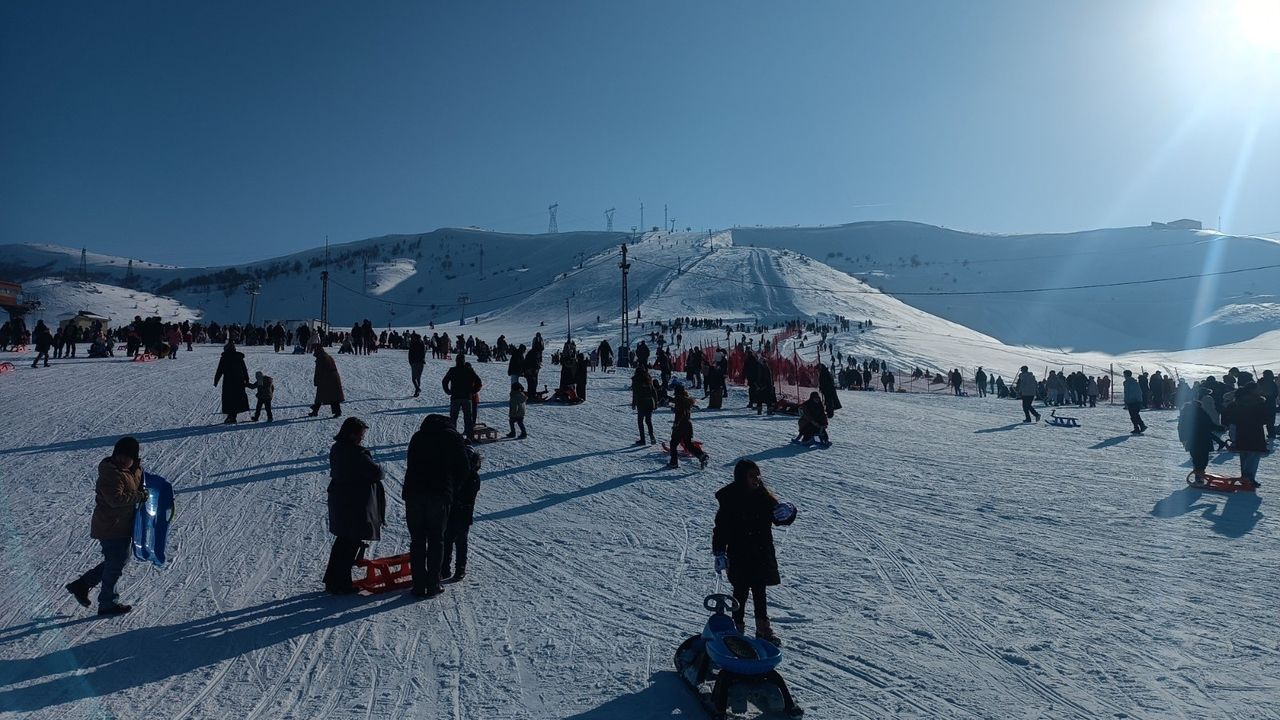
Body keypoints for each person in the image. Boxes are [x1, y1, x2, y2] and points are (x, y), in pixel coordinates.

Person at [712, 460, 798, 645]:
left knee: (760, 592)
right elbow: (721, 529)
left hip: (760, 554)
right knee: (740, 593)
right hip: (739, 555)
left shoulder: (763, 498)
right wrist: (719, 552)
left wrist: (789, 511)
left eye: (757, 474)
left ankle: (763, 629)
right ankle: (736, 629)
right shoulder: (730, 500)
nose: (756, 479)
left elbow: (780, 518)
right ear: (742, 478)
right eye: (752, 475)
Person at [65, 437, 148, 615]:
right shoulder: (111, 473)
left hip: (123, 525)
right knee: (116, 563)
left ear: (134, 458)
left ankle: (82, 585)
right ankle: (107, 603)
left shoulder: (135, 469)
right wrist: (139, 496)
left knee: (116, 561)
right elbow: (114, 499)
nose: (122, 460)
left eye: (127, 457)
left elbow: (141, 482)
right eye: (119, 456)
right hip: (109, 526)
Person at [404, 415, 471, 599]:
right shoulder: (452, 437)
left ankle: (418, 585)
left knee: (417, 539)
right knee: (436, 538)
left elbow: (410, 463)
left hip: (414, 493)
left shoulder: (418, 436)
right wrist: (452, 488)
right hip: (439, 493)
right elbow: (464, 468)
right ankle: (433, 583)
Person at [323, 418, 385, 594]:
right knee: (350, 542)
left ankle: (333, 579)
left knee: (343, 540)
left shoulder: (337, 448)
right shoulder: (356, 452)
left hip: (341, 499)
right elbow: (376, 472)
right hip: (354, 502)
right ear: (352, 434)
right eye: (361, 434)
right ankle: (341, 583)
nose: (362, 437)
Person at [1222, 372, 1269, 487]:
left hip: (1242, 432)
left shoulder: (1238, 401)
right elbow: (1264, 419)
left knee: (1245, 456)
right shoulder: (1258, 402)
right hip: (1255, 433)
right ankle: (1249, 479)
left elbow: (1230, 415)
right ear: (1253, 391)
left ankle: (1245, 478)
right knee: (1254, 456)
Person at [443, 445, 482, 582]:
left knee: (459, 541)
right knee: (448, 540)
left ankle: (459, 568)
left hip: (462, 513)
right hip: (453, 512)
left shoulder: (472, 477)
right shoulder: (457, 473)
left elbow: (468, 494)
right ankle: (445, 568)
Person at [1180, 387, 1223, 483]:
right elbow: (1209, 424)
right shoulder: (1201, 412)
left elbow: (1181, 427)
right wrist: (1219, 427)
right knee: (1202, 458)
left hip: (1193, 439)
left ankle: (1199, 474)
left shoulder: (1185, 413)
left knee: (1196, 458)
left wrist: (1183, 438)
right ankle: (1199, 474)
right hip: (1203, 438)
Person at [669, 384, 709, 469]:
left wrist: (676, 423)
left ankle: (673, 463)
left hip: (680, 425)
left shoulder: (679, 400)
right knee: (688, 444)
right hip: (688, 425)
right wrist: (675, 409)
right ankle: (702, 456)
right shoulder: (686, 400)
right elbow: (683, 410)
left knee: (673, 443)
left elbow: (681, 413)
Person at [443, 354, 481, 438]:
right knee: (468, 419)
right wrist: (473, 391)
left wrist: (448, 391)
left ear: (456, 361)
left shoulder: (452, 370)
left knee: (453, 418)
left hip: (455, 397)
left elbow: (444, 381)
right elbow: (478, 382)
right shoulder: (469, 370)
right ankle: (469, 437)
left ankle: (452, 437)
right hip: (467, 397)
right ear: (464, 361)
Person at [213, 341, 251, 424]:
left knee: (229, 398)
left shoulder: (224, 357)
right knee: (237, 397)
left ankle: (231, 416)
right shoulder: (239, 357)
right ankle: (233, 416)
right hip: (239, 381)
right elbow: (244, 369)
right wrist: (246, 379)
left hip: (228, 381)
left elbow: (219, 370)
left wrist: (216, 380)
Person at [309, 345, 345, 417]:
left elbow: (318, 371)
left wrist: (316, 381)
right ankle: (316, 410)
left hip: (327, 379)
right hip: (333, 378)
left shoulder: (321, 358)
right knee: (332, 395)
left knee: (321, 395)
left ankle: (315, 410)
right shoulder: (326, 356)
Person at [631, 366, 657, 445]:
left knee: (640, 421)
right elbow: (654, 391)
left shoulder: (636, 379)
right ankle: (652, 436)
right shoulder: (648, 379)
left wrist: (634, 403)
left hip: (641, 402)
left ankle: (643, 440)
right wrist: (655, 402)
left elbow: (635, 393)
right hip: (649, 402)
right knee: (648, 421)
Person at [1122, 370, 1147, 434]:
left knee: (1133, 415)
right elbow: (1139, 392)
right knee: (1136, 414)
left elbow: (1127, 393)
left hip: (1131, 401)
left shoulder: (1127, 383)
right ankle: (1141, 426)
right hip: (1138, 400)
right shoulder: (1135, 382)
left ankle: (1137, 428)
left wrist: (1126, 401)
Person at [408, 332, 426, 397]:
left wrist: (411, 362)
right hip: (421, 362)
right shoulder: (422, 344)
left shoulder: (413, 344)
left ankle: (417, 389)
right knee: (418, 377)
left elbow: (410, 354)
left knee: (414, 378)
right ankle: (417, 390)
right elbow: (424, 353)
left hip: (415, 362)